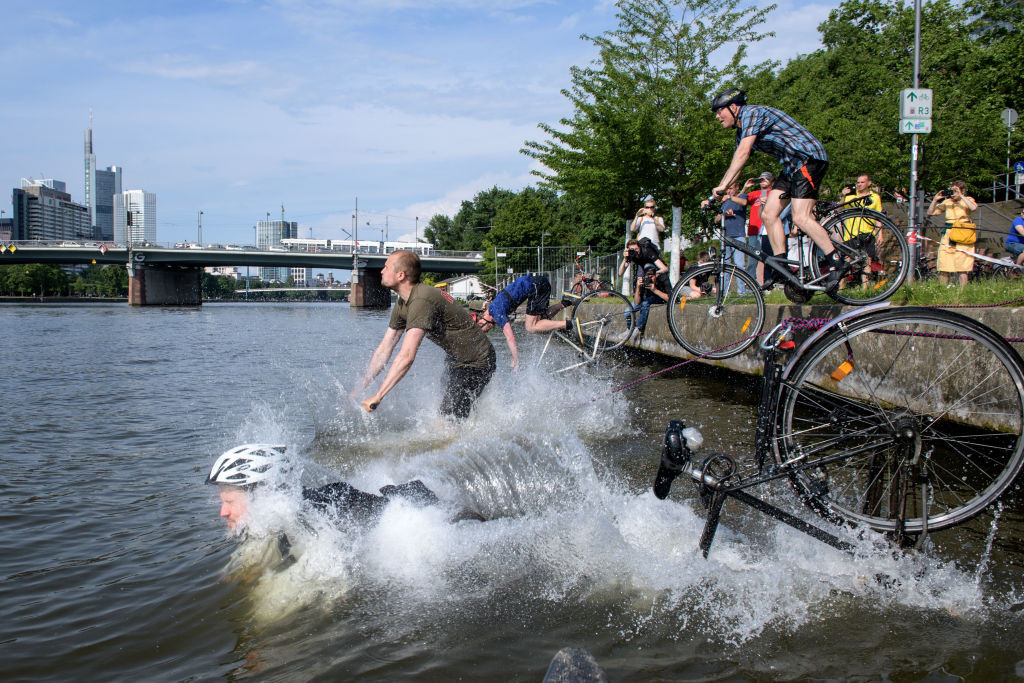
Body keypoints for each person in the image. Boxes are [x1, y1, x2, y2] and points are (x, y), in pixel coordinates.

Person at [709, 88, 849, 291]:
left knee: (801, 217)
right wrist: (717, 194)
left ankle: (837, 260)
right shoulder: (741, 131)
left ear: (733, 107)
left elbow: (744, 154)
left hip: (808, 159)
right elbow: (736, 165)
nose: (717, 116)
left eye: (719, 111)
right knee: (768, 213)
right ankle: (782, 268)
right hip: (791, 167)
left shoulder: (752, 114)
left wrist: (722, 187)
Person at [208, 444, 483, 537]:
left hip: (411, 510)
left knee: (477, 527)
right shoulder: (281, 518)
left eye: (230, 501)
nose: (223, 512)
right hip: (362, 500)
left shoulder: (309, 523)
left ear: (263, 495)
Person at [360, 250, 495, 419]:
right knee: (447, 411)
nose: (381, 271)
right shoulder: (403, 302)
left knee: (449, 418)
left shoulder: (421, 300)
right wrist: (361, 388)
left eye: (386, 267)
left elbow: (407, 355)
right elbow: (384, 348)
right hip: (456, 359)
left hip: (477, 361)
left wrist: (378, 396)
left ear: (401, 275)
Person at [474, 274, 576, 369]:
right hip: (540, 283)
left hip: (536, 287)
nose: (487, 331)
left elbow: (510, 338)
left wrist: (516, 359)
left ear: (481, 322)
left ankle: (569, 324)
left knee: (530, 327)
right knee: (540, 320)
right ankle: (566, 302)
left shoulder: (496, 312)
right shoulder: (494, 307)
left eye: (485, 330)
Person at [702, 181, 749, 294]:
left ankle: (741, 291)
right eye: (727, 189)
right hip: (726, 237)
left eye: (731, 188)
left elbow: (744, 202)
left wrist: (729, 197)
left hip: (739, 236)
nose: (729, 191)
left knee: (740, 264)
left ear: (737, 188)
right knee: (725, 264)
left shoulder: (741, 196)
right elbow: (716, 219)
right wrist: (724, 214)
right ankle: (725, 292)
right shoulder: (725, 202)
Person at [927, 181, 978, 286]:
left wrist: (961, 196)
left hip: (963, 234)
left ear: (962, 190)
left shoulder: (968, 200)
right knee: (943, 265)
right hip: (948, 234)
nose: (953, 193)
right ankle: (943, 291)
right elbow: (930, 213)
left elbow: (973, 208)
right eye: (952, 190)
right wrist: (935, 200)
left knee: (962, 267)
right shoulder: (947, 202)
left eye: (955, 190)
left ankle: (963, 293)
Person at [739, 171, 773, 284]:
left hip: (769, 230)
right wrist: (745, 187)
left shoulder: (773, 193)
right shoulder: (755, 193)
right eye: (761, 179)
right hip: (754, 230)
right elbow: (739, 201)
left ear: (771, 180)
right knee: (752, 259)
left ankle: (770, 282)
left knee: (769, 257)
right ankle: (750, 283)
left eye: (766, 179)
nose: (763, 181)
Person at [629, 262, 671, 335]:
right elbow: (636, 303)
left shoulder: (663, 279)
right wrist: (638, 288)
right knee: (627, 311)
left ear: (656, 275)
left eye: (651, 276)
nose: (649, 279)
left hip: (660, 297)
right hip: (646, 298)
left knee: (645, 303)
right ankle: (629, 330)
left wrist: (654, 290)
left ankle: (639, 329)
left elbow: (671, 299)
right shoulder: (643, 280)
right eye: (647, 276)